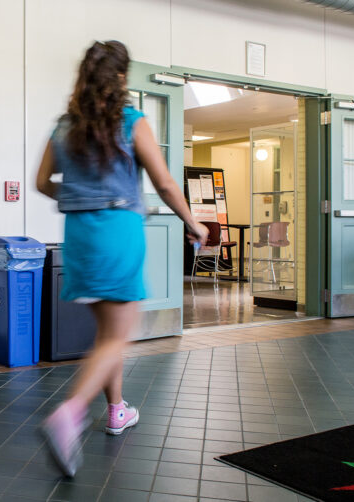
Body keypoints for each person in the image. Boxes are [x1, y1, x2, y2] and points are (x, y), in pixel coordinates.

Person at [35, 40, 209, 478]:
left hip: (78, 234)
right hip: (118, 232)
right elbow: (166, 184)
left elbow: (42, 182)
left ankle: (116, 410)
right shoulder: (131, 122)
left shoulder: (64, 127)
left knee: (106, 331)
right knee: (118, 336)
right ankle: (70, 414)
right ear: (120, 79)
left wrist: (78, 198)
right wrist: (194, 223)